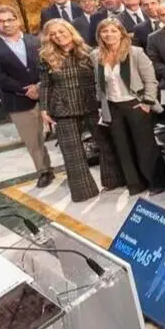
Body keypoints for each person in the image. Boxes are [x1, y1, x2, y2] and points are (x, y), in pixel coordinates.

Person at [38, 19, 122, 200]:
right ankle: (83, 191)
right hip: (62, 107)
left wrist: (104, 103)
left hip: (90, 103)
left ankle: (113, 180)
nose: (58, 36)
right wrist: (44, 109)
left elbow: (101, 79)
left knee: (105, 143)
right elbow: (45, 85)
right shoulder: (46, 57)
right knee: (72, 152)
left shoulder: (89, 52)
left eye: (61, 31)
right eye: (53, 34)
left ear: (70, 31)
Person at [91, 17, 165, 194]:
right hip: (113, 107)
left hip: (137, 104)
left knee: (145, 147)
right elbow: (98, 84)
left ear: (121, 33)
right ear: (99, 35)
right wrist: (101, 106)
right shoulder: (96, 55)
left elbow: (150, 80)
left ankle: (157, 183)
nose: (109, 34)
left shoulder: (135, 52)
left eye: (113, 31)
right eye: (105, 31)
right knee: (123, 148)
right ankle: (136, 184)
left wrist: (147, 103)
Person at [0, 5, 53, 186]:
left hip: (48, 93)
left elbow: (48, 62)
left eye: (10, 19)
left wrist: (39, 85)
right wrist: (25, 89)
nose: (7, 24)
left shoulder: (35, 40)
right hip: (18, 99)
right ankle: (44, 171)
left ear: (17, 20)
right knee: (33, 139)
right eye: (1, 21)